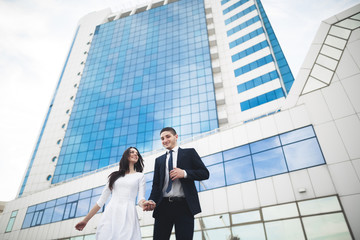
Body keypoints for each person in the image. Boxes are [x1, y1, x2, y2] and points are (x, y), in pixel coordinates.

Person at [145, 127, 210, 240]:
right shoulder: (159, 160)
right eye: (162, 138)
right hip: (163, 206)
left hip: (184, 206)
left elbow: (204, 173)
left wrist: (184, 173)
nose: (165, 140)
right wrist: (152, 200)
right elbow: (156, 185)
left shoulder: (189, 153)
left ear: (176, 136)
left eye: (168, 136)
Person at [75, 147, 149, 240]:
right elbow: (101, 201)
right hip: (111, 213)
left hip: (128, 214)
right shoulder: (114, 176)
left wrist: (144, 204)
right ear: (126, 156)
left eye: (137, 153)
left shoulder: (140, 176)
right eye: (132, 152)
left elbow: (140, 199)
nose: (135, 154)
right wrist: (85, 220)